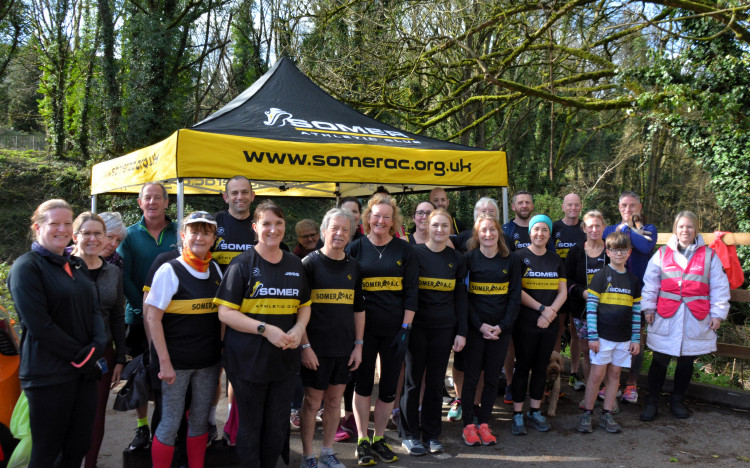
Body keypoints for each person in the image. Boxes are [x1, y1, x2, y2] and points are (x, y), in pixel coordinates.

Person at [8, 199, 107, 467]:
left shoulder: (77, 265)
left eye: (67, 223)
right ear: (38, 227)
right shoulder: (26, 267)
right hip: (48, 375)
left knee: (78, 447)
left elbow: (94, 310)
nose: (62, 229)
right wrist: (82, 357)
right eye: (55, 223)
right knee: (47, 452)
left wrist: (99, 345)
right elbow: (40, 325)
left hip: (84, 374)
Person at [215, 201, 311, 468]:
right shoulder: (242, 264)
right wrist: (265, 330)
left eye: (278, 223)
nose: (273, 229)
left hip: (283, 361)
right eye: (266, 223)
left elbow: (304, 306)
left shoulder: (294, 263)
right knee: (251, 424)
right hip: (247, 360)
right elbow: (225, 313)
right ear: (255, 228)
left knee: (277, 424)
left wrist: (299, 329)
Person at [145, 211, 223, 468]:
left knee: (200, 421)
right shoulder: (170, 270)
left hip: (208, 363)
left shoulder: (215, 270)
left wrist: (221, 356)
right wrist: (164, 363)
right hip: (175, 366)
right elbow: (152, 318)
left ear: (214, 239)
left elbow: (222, 318)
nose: (199, 237)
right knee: (170, 423)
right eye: (194, 231)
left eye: (206, 232)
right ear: (183, 235)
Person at [345, 193, 418, 466]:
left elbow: (412, 292)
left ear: (393, 220)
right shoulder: (355, 248)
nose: (381, 220)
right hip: (362, 333)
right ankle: (363, 439)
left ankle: (379, 438)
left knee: (388, 388)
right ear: (367, 218)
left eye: (387, 217)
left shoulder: (404, 250)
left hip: (395, 330)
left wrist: (405, 328)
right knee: (363, 385)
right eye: (376, 215)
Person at [639, 211, 730, 421]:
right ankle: (652, 400)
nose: (685, 230)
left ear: (696, 229)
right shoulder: (662, 254)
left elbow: (719, 286)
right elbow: (650, 284)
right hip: (665, 315)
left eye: (689, 227)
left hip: (695, 317)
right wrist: (649, 309)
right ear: (675, 229)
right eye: (681, 227)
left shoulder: (709, 256)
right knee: (660, 359)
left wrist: (718, 313)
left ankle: (677, 400)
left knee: (686, 361)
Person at [299, 208, 365, 468]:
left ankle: (327, 452)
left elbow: (359, 309)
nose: (339, 233)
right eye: (334, 228)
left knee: (335, 401)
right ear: (324, 232)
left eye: (345, 230)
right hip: (315, 349)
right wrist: (305, 346)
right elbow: (299, 310)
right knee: (312, 402)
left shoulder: (354, 266)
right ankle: (307, 456)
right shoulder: (309, 264)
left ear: (350, 236)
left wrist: (358, 346)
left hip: (344, 348)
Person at [117, 181, 179, 450]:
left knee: (173, 375)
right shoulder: (129, 235)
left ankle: (171, 426)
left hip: (177, 319)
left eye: (158, 198)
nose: (152, 202)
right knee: (141, 376)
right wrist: (144, 308)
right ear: (140, 203)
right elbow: (123, 275)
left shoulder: (181, 232)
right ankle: (142, 428)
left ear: (167, 202)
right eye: (147, 198)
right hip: (138, 318)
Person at [400, 209, 467, 455]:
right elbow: (407, 293)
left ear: (451, 229)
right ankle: (408, 434)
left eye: (445, 226)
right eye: (435, 225)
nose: (440, 230)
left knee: (436, 382)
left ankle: (431, 434)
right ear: (427, 226)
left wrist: (462, 330)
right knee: (412, 382)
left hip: (444, 329)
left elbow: (460, 297)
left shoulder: (456, 258)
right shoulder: (414, 254)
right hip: (417, 328)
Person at [71, 212, 127, 468]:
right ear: (75, 236)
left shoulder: (113, 272)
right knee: (66, 414)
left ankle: (90, 464)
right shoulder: (62, 268)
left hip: (103, 354)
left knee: (95, 417)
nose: (94, 239)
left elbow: (117, 316)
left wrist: (120, 357)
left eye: (99, 234)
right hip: (69, 354)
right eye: (87, 233)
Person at [460, 215, 521, 447]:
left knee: (493, 379)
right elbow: (463, 298)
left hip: (500, 331)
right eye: (483, 230)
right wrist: (479, 325)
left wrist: (502, 326)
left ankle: (484, 424)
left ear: (499, 233)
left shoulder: (511, 260)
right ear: (477, 234)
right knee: (472, 378)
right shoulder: (468, 259)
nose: (488, 234)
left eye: (492, 230)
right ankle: (468, 425)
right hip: (477, 330)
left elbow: (515, 297)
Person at [577, 232, 641, 434]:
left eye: (623, 250)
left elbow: (637, 313)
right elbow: (592, 308)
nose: (619, 253)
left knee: (614, 374)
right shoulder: (601, 276)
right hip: (602, 337)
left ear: (629, 252)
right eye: (614, 249)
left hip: (623, 339)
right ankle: (587, 413)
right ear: (608, 252)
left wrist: (636, 339)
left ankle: (607, 414)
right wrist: (593, 336)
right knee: (597, 375)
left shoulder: (633, 281)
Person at [511, 214, 566, 435]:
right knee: (522, 367)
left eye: (544, 230)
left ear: (549, 234)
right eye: (536, 229)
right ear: (530, 232)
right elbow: (517, 290)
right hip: (526, 323)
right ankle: (517, 415)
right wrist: (542, 309)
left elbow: (562, 291)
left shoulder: (555, 260)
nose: (540, 233)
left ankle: (535, 412)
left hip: (549, 324)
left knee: (541, 369)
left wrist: (551, 312)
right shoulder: (518, 257)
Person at [447, 197, 500, 422]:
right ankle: (460, 400)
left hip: (490, 313)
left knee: (482, 366)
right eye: (482, 210)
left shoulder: (502, 240)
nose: (486, 213)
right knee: (461, 361)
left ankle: (476, 404)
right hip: (463, 310)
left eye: (490, 210)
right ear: (475, 214)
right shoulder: (462, 239)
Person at [602, 191, 657, 404]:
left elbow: (644, 246)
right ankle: (610, 384)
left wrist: (625, 229)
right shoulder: (609, 230)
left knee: (636, 338)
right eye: (624, 205)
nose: (628, 210)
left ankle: (631, 384)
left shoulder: (649, 230)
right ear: (618, 207)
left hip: (639, 293)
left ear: (639, 208)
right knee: (611, 336)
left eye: (632, 206)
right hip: (614, 293)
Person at [565, 210, 608, 390]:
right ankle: (592, 389)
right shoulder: (576, 251)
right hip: (582, 308)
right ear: (584, 228)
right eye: (590, 226)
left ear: (603, 227)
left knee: (606, 350)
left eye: (598, 226)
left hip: (608, 309)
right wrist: (582, 293)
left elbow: (622, 274)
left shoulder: (611, 250)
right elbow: (567, 280)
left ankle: (606, 388)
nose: (594, 229)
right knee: (587, 351)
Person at [212, 176, 256, 270]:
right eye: (234, 193)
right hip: (220, 284)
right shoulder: (213, 222)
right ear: (226, 197)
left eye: (245, 192)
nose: (240, 197)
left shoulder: (262, 224)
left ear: (252, 196)